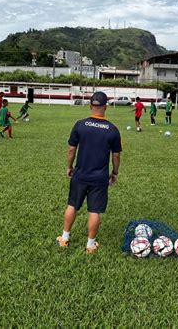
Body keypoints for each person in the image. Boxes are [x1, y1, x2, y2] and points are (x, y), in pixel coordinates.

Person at [56, 91, 122, 254]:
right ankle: (90, 245)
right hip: (99, 178)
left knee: (72, 205)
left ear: (91, 105)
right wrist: (115, 172)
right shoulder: (112, 129)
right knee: (94, 211)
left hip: (80, 174)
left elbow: (72, 149)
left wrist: (69, 166)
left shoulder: (80, 125)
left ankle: (64, 238)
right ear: (106, 106)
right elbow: (116, 154)